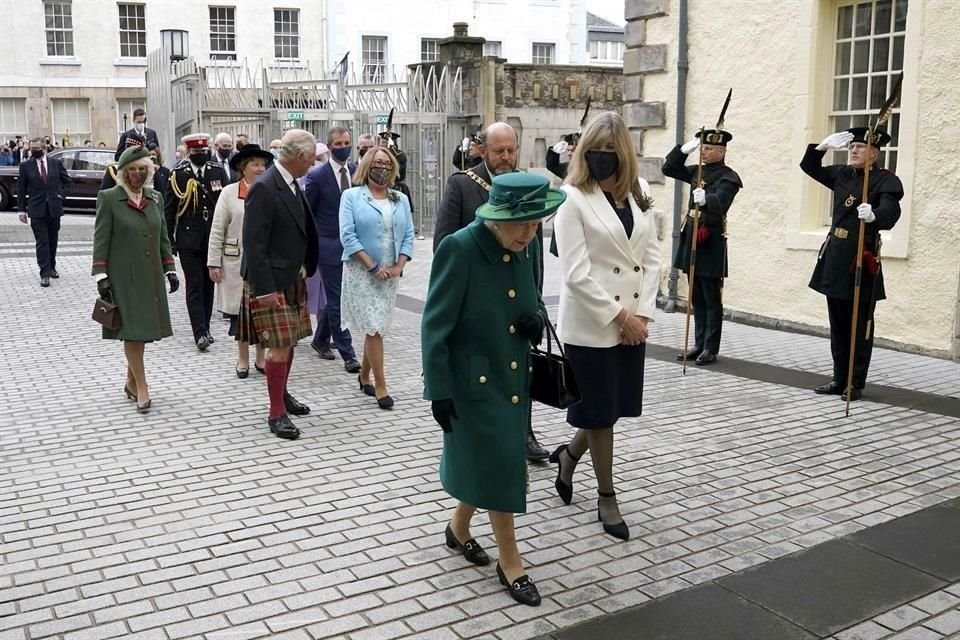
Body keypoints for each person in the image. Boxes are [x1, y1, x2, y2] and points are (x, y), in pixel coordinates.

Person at [423, 172, 564, 607]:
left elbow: (533, 300)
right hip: (473, 382)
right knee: (503, 464)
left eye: (536, 222)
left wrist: (534, 322)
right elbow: (434, 325)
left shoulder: (529, 243)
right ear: (496, 218)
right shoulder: (460, 249)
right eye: (519, 224)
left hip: (515, 375)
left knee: (489, 460)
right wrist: (438, 389)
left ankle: (459, 528)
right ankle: (511, 562)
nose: (528, 233)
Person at [551, 111, 661, 542]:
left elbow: (651, 256)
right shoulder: (572, 198)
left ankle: (568, 455)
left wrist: (643, 316)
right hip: (593, 323)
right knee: (602, 414)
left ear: (625, 155)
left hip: (632, 321)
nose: (601, 159)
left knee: (607, 408)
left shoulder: (642, 192)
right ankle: (607, 495)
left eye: (610, 153)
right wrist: (621, 318)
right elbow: (576, 274)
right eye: (594, 152)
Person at [433, 122, 551, 463]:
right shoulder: (463, 185)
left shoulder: (527, 187)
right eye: (498, 150)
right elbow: (444, 245)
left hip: (517, 309)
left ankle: (525, 432)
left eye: (511, 150)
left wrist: (538, 311)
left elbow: (534, 261)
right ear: (483, 150)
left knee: (518, 372)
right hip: (480, 307)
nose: (506, 157)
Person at [801, 127, 903, 401]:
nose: (854, 151)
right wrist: (821, 147)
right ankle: (838, 378)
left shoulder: (885, 180)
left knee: (860, 325)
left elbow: (891, 212)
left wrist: (874, 216)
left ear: (874, 153)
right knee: (838, 324)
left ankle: (855, 383)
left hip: (862, 259)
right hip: (836, 257)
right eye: (851, 147)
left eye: (860, 147)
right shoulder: (842, 174)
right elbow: (809, 167)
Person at [239, 129, 319, 440]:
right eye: (310, 159)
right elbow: (254, 244)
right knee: (278, 347)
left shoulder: (291, 182)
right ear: (299, 157)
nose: (312, 164)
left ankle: (282, 395)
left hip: (292, 277)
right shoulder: (265, 187)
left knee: (290, 342)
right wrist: (265, 290)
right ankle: (276, 413)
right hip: (271, 281)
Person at [92, 146, 179, 413]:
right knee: (132, 332)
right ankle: (142, 387)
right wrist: (101, 275)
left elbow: (163, 235)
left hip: (150, 276)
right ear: (122, 172)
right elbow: (101, 238)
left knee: (143, 333)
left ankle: (130, 381)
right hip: (123, 278)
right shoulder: (109, 198)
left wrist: (170, 268)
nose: (138, 174)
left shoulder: (155, 197)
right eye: (132, 169)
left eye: (143, 169)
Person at [339, 145, 415, 409]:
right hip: (362, 271)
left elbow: (408, 235)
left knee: (378, 328)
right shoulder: (351, 196)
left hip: (391, 273)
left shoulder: (399, 198)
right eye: (377, 163)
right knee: (374, 327)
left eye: (386, 164)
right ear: (367, 165)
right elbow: (348, 235)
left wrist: (399, 265)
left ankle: (363, 375)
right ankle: (381, 385)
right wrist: (372, 266)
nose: (381, 168)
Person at [661, 128, 743, 365]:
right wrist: (683, 150)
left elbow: (723, 201)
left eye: (708, 149)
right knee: (696, 294)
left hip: (710, 239)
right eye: (702, 148)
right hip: (692, 234)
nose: (703, 152)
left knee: (711, 296)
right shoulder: (696, 170)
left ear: (721, 151)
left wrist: (708, 199)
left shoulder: (729, 176)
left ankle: (710, 347)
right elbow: (669, 169)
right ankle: (698, 343)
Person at [208, 144, 272, 378]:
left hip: (262, 263)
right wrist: (213, 262)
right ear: (243, 168)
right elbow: (217, 229)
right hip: (235, 263)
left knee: (262, 313)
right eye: (255, 164)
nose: (260, 168)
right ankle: (242, 359)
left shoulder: (269, 190)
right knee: (240, 315)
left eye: (263, 164)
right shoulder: (229, 192)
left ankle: (261, 358)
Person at [303, 126, 361, 373]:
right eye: (338, 143)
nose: (343, 147)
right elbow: (308, 213)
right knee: (338, 300)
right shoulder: (317, 177)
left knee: (341, 298)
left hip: (354, 247)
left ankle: (320, 339)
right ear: (329, 146)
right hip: (329, 247)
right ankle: (348, 353)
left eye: (346, 142)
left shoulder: (357, 173)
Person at [165, 133, 227, 351]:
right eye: (197, 153)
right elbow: (169, 209)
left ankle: (206, 328)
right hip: (188, 239)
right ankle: (199, 332)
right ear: (189, 153)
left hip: (212, 237)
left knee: (209, 284)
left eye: (204, 152)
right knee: (194, 285)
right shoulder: (178, 174)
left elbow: (224, 206)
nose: (201, 155)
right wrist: (170, 241)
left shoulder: (217, 172)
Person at [17, 137, 72, 287]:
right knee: (42, 242)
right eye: (31, 148)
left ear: (44, 149)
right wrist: (21, 210)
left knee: (53, 240)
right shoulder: (26, 166)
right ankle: (44, 273)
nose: (33, 151)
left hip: (54, 208)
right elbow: (21, 189)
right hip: (36, 210)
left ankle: (52, 267)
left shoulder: (56, 164)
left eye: (36, 149)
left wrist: (61, 195)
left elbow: (67, 182)